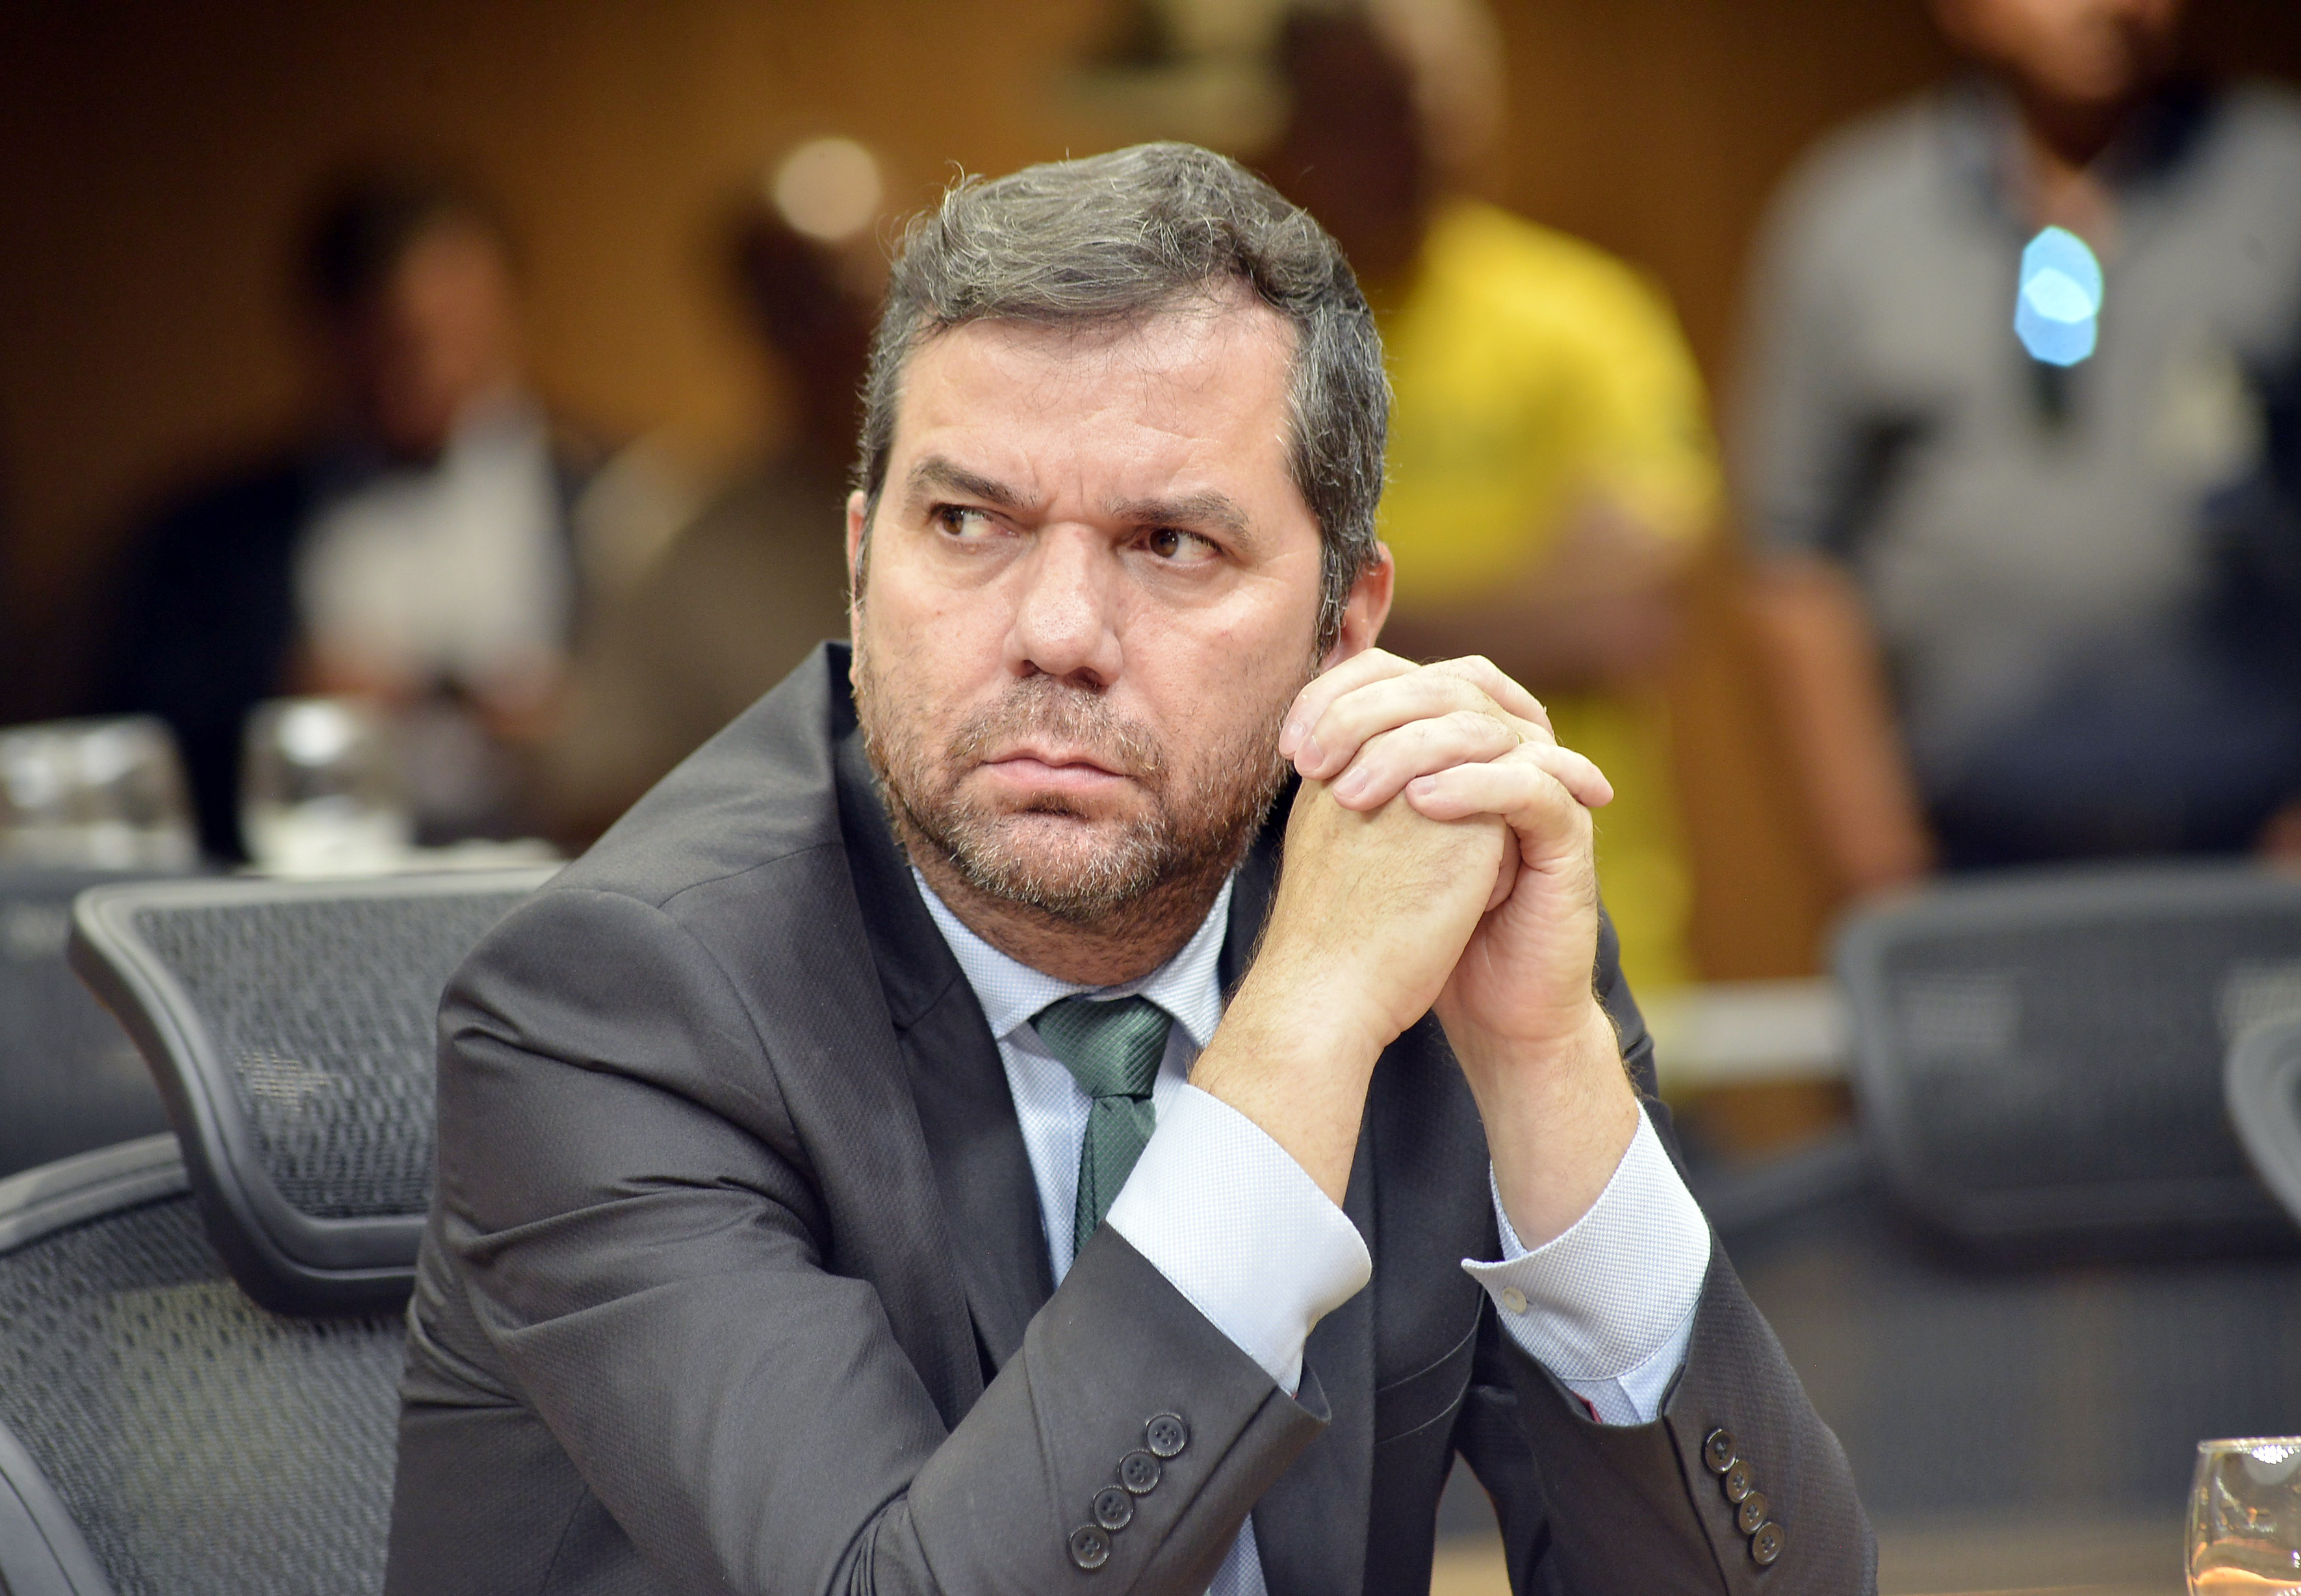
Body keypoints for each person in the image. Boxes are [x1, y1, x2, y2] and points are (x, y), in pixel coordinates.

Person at [386, 144, 1870, 1593]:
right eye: (967, 522)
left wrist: (1547, 1069)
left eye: (1168, 542)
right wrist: (1297, 1030)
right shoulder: (619, 1004)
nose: (1056, 632)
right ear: (859, 561)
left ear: (1345, 628)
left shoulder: (1418, 916)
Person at [1739, 0, 2301, 892]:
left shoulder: (2280, 179)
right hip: (1962, 858)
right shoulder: (1857, 215)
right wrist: (1880, 865)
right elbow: (1796, 560)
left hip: (2253, 849)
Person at [1259, 1, 1720, 991]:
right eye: (1365, 106)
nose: (1410, 137)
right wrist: (1512, 602)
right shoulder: (1255, 340)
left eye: (1433, 102)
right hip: (1303, 924)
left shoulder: (1583, 318)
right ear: (1293, 116)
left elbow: (1623, 612)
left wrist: (1309, 620)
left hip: (1574, 918)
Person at [97, 165, 595, 858]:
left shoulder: (610, 497)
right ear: (331, 332)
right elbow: (135, 736)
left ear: (506, 314)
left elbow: (680, 715)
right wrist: (276, 696)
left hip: (568, 876)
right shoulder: (214, 531)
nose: (429, 369)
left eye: (456, 334)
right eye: (397, 342)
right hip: (309, 884)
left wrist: (582, 724)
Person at [535, 185, 870, 839]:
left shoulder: (1030, 500)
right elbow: (598, 791)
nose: (839, 334)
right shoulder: (666, 528)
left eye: (861, 296)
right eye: (798, 307)